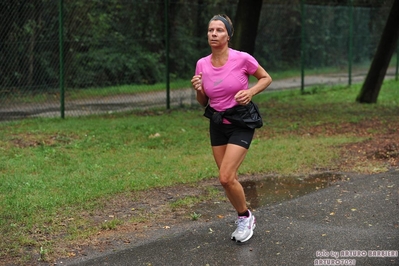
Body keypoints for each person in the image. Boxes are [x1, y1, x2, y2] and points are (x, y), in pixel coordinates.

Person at [191, 14, 272, 243]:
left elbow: (266, 78)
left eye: (219, 30)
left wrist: (251, 92)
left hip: (242, 122)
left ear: (228, 35)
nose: (213, 34)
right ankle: (245, 216)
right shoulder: (202, 63)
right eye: (210, 30)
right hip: (218, 123)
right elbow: (202, 101)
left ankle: (245, 217)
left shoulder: (242, 59)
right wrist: (198, 89)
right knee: (229, 178)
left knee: (225, 178)